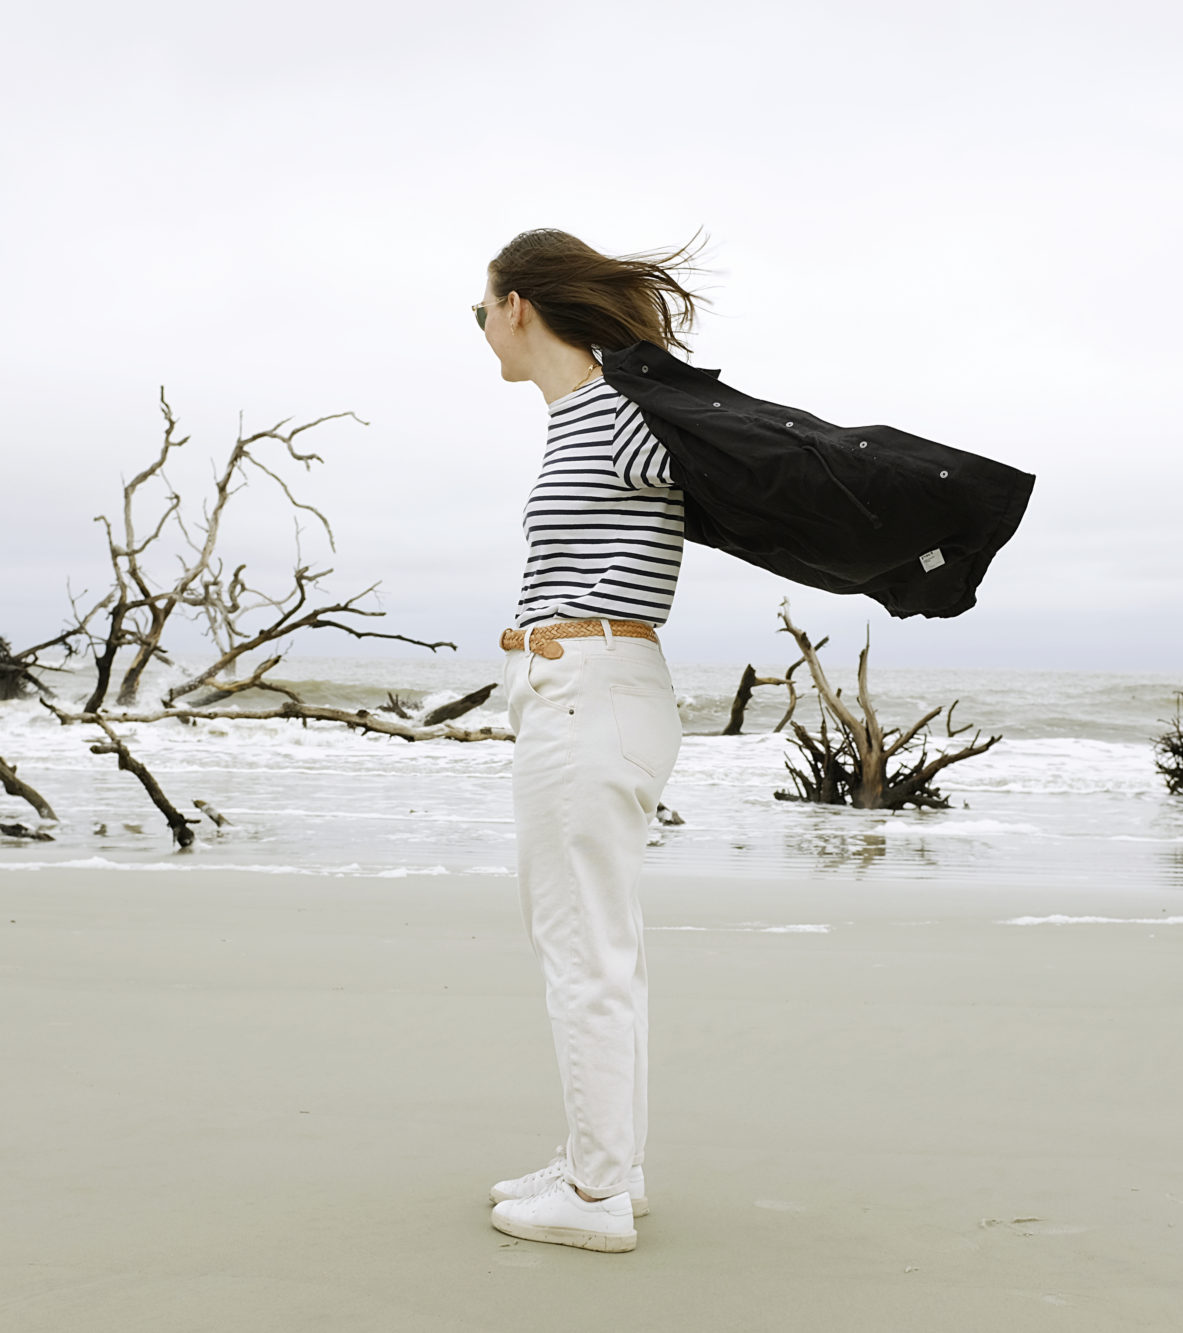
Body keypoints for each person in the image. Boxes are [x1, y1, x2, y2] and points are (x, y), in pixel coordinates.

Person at [473, 227, 711, 1254]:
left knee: (584, 951)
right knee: (593, 944)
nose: (477, 326)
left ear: (519, 304)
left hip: (591, 697)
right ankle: (603, 1162)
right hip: (575, 693)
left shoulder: (618, 414)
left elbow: (734, 454)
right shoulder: (577, 419)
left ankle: (595, 1193)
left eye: (478, 306)